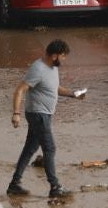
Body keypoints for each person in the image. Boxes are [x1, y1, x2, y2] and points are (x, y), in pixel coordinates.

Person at [8, 39, 84, 199]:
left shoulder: (52, 68)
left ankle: (14, 185)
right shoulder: (38, 69)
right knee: (50, 149)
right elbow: (20, 90)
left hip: (44, 115)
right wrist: (16, 113)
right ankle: (55, 187)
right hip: (38, 115)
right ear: (54, 55)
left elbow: (54, 88)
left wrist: (73, 94)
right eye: (63, 56)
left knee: (29, 149)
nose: (64, 59)